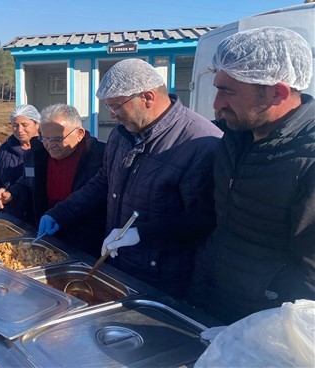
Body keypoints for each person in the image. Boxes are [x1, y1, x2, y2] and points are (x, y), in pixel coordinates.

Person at [38, 59, 223, 298]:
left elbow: (202, 220)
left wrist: (140, 233)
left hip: (163, 278)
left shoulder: (201, 143)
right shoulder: (122, 134)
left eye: (116, 107)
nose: (112, 115)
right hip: (118, 263)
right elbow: (104, 181)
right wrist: (61, 212)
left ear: (147, 97)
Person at [187, 27, 315, 324]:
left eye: (228, 91)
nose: (216, 103)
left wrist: (273, 340)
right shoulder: (235, 137)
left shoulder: (307, 159)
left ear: (278, 92)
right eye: (218, 88)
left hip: (267, 328)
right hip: (214, 303)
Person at [0, 104, 106, 257]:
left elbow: (96, 197)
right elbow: (26, 183)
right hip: (46, 234)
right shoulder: (37, 154)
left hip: (84, 241)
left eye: (57, 139)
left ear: (79, 133)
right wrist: (12, 194)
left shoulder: (100, 156)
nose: (50, 145)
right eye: (45, 138)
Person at [0, 104, 40, 214]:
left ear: (37, 124)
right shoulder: (5, 150)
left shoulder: (47, 148)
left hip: (39, 212)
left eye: (25, 125)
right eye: (15, 125)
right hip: (12, 213)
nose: (20, 130)